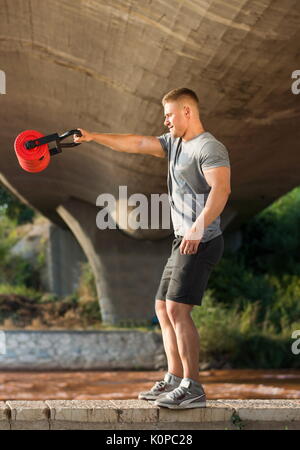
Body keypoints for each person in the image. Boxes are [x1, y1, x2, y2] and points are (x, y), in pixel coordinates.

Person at [74, 87, 231, 409]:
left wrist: (198, 229)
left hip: (202, 240)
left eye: (170, 114)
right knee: (162, 307)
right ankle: (174, 378)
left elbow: (222, 190)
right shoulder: (174, 143)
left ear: (188, 112)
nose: (166, 120)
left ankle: (193, 386)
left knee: (177, 309)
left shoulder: (209, 148)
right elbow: (137, 142)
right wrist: (93, 137)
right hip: (182, 239)